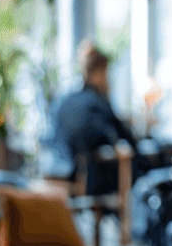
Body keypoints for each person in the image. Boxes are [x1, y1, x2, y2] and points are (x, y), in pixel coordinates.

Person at [44, 41, 141, 195]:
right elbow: (125, 136)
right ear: (98, 74)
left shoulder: (64, 100)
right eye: (106, 74)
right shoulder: (97, 101)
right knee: (136, 166)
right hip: (83, 178)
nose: (109, 80)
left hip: (51, 172)